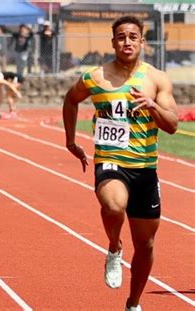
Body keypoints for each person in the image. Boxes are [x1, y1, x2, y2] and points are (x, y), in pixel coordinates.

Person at [62, 16, 178, 311]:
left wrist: (153, 106)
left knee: (147, 246)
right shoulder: (96, 77)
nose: (127, 42)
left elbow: (173, 125)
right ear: (113, 42)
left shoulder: (157, 79)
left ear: (142, 42)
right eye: (121, 37)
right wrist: (70, 140)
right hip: (111, 161)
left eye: (133, 37)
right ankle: (114, 247)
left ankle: (133, 303)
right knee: (113, 206)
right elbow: (71, 99)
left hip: (145, 168)